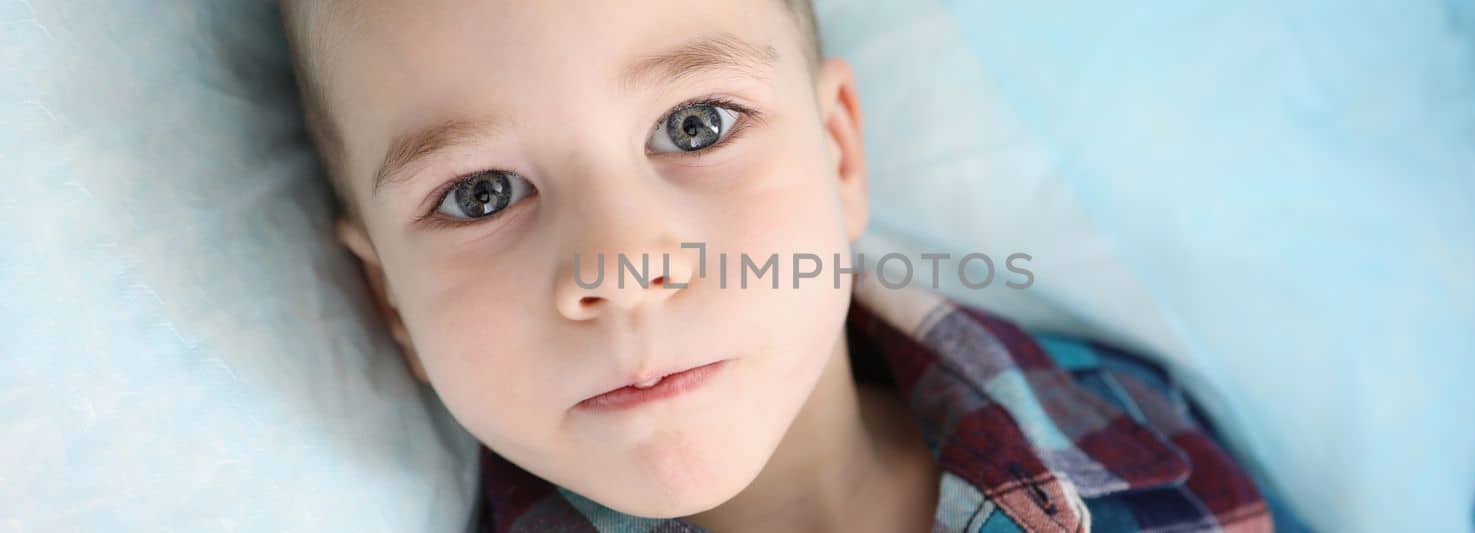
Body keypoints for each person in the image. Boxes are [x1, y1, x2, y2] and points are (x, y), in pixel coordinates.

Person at [279, 1, 1273, 530]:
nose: (621, 266)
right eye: (481, 193)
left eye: (694, 124)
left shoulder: (1140, 436)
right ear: (390, 304)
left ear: (839, 154)